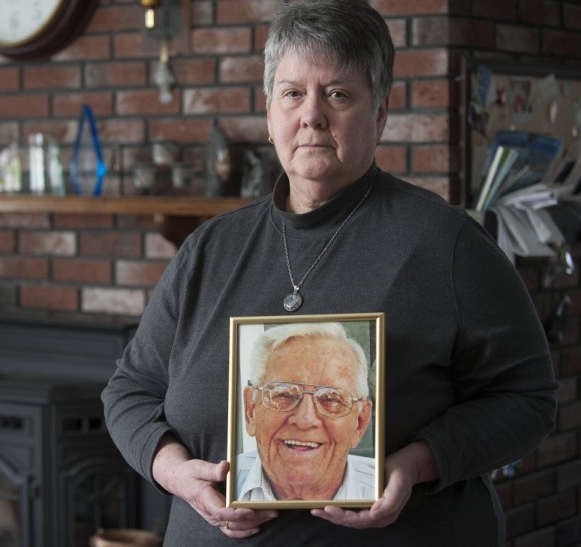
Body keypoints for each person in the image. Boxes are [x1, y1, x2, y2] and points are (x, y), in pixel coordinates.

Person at [101, 0, 558, 544]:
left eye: (338, 94)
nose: (311, 115)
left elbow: (528, 400)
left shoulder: (447, 243)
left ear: (380, 113)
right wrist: (175, 472)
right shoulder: (209, 250)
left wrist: (417, 463)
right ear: (270, 114)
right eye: (293, 93)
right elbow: (129, 391)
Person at [237, 322, 375, 502]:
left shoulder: (386, 491)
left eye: (331, 399)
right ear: (251, 410)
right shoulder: (218, 485)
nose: (305, 420)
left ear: (360, 423)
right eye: (284, 394)